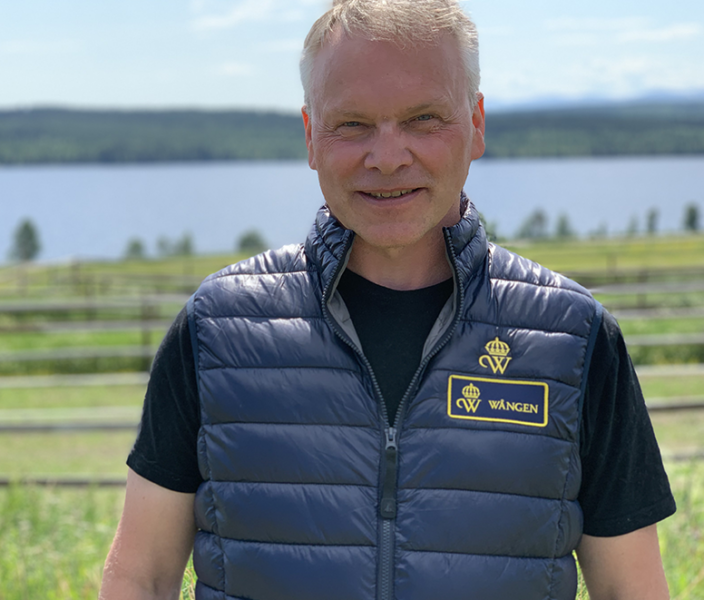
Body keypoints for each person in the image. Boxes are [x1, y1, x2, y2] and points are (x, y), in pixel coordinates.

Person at [99, 1, 675, 599]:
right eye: (352, 124)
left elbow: (629, 591)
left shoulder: (574, 341)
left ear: (476, 124)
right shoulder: (218, 329)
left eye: (424, 118)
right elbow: (141, 577)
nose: (388, 156)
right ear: (310, 136)